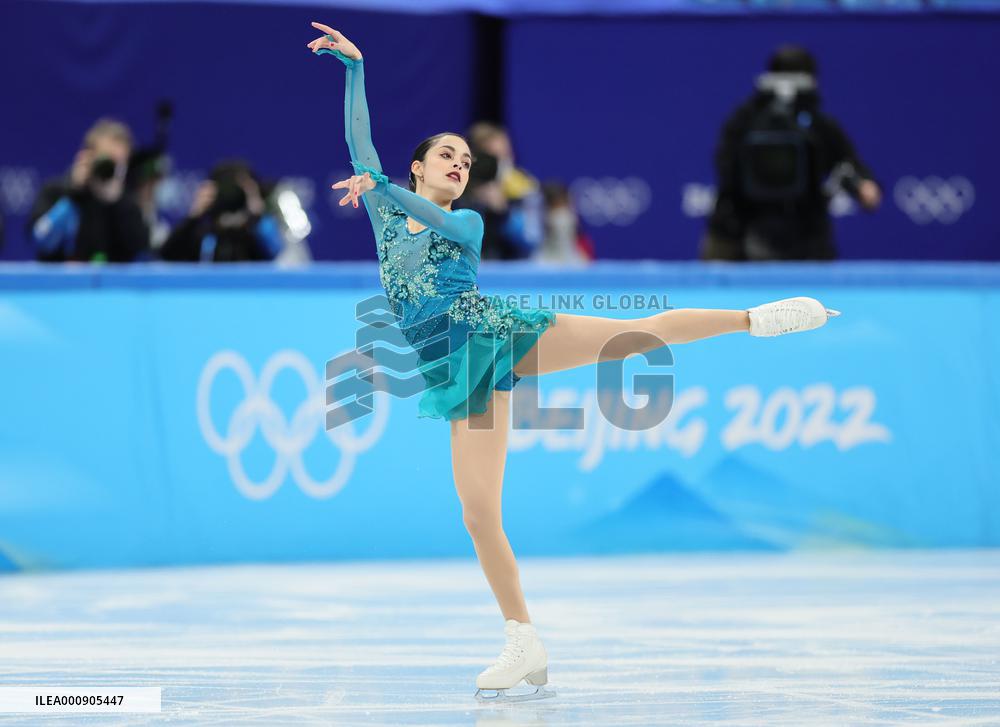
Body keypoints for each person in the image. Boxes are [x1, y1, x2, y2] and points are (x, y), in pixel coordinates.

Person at [309, 22, 840, 702]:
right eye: (447, 155)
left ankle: (755, 320)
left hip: (496, 335)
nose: (459, 165)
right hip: (451, 369)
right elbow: (361, 144)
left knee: (636, 333)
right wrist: (357, 68)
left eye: (467, 162)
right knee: (477, 514)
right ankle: (523, 639)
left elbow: (414, 204)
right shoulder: (387, 213)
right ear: (419, 164)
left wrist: (383, 183)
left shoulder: (464, 223)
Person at [701, 45, 881, 261]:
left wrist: (863, 184)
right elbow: (726, 168)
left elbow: (848, 162)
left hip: (807, 229)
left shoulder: (818, 125)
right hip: (741, 226)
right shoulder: (744, 122)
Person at [28, 118, 150, 263]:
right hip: (62, 283)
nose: (113, 169)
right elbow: (42, 240)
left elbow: (140, 252)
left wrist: (116, 203)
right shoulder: (56, 191)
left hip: (111, 285)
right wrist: (74, 194)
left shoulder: (128, 204)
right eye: (107, 160)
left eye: (120, 163)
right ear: (86, 156)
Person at [158, 160, 284, 263]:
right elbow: (167, 254)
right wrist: (194, 215)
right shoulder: (203, 235)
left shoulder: (253, 233)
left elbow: (275, 252)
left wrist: (257, 215)